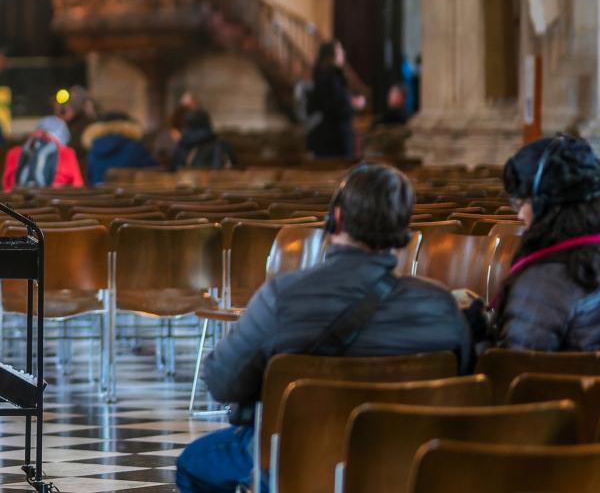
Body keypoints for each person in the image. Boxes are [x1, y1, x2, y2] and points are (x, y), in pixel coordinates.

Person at [175, 163, 473, 493]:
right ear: (403, 229)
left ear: (337, 218)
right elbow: (465, 379)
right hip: (404, 459)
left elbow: (222, 382)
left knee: (194, 464)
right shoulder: (440, 305)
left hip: (292, 459)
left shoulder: (283, 297)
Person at [490, 135, 600, 350]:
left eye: (522, 202)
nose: (520, 215)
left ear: (546, 206)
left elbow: (513, 365)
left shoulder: (543, 284)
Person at [304, 42, 363, 160]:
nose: (343, 54)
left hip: (329, 136)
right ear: (331, 57)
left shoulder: (326, 76)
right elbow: (335, 106)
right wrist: (353, 104)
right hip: (334, 137)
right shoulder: (330, 78)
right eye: (340, 52)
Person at [3, 116, 85, 190]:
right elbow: (77, 186)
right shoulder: (67, 153)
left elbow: (6, 186)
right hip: (54, 203)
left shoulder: (14, 152)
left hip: (18, 204)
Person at [83, 113, 159, 186]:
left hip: (96, 196)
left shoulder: (93, 148)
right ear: (129, 126)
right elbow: (154, 170)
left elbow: (90, 177)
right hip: (129, 196)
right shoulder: (135, 147)